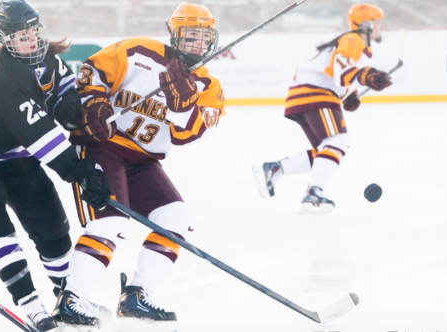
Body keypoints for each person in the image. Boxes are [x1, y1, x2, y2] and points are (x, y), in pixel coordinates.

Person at [50, 3, 226, 330]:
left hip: (144, 160)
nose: (197, 44)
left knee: (178, 219)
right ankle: (71, 298)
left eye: (203, 37)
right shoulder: (139, 51)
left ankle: (137, 295)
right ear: (175, 35)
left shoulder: (208, 87)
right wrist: (96, 102)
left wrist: (182, 105)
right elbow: (92, 71)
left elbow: (187, 136)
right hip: (102, 147)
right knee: (111, 224)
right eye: (190, 36)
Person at [0, 1, 111, 331]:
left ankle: (68, 299)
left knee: (54, 232)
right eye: (20, 36)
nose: (31, 40)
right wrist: (77, 170)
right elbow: (37, 131)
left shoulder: (48, 58)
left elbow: (63, 90)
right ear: (4, 39)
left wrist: (77, 109)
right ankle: (30, 303)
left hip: (19, 160)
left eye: (34, 31)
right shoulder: (4, 74)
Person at [252, 4, 392, 214]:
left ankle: (274, 169)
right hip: (315, 92)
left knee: (327, 150)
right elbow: (341, 70)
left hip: (305, 93)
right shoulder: (353, 39)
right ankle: (314, 194)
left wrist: (348, 95)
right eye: (378, 22)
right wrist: (368, 76)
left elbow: (340, 73)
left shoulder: (355, 45)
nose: (382, 26)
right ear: (366, 23)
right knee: (339, 142)